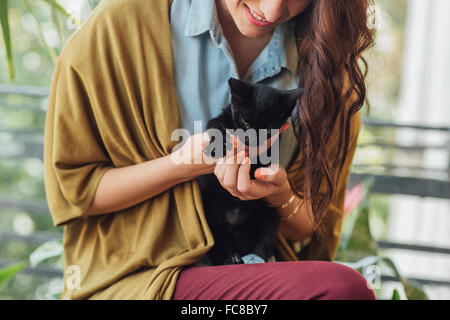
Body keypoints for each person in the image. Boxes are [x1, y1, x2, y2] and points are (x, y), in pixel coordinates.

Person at [44, 0, 376, 300]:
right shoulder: (119, 29)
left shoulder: (327, 72)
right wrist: (182, 164)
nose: (272, 11)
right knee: (342, 291)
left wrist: (279, 193)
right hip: (142, 277)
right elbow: (76, 192)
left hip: (253, 264)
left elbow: (311, 225)